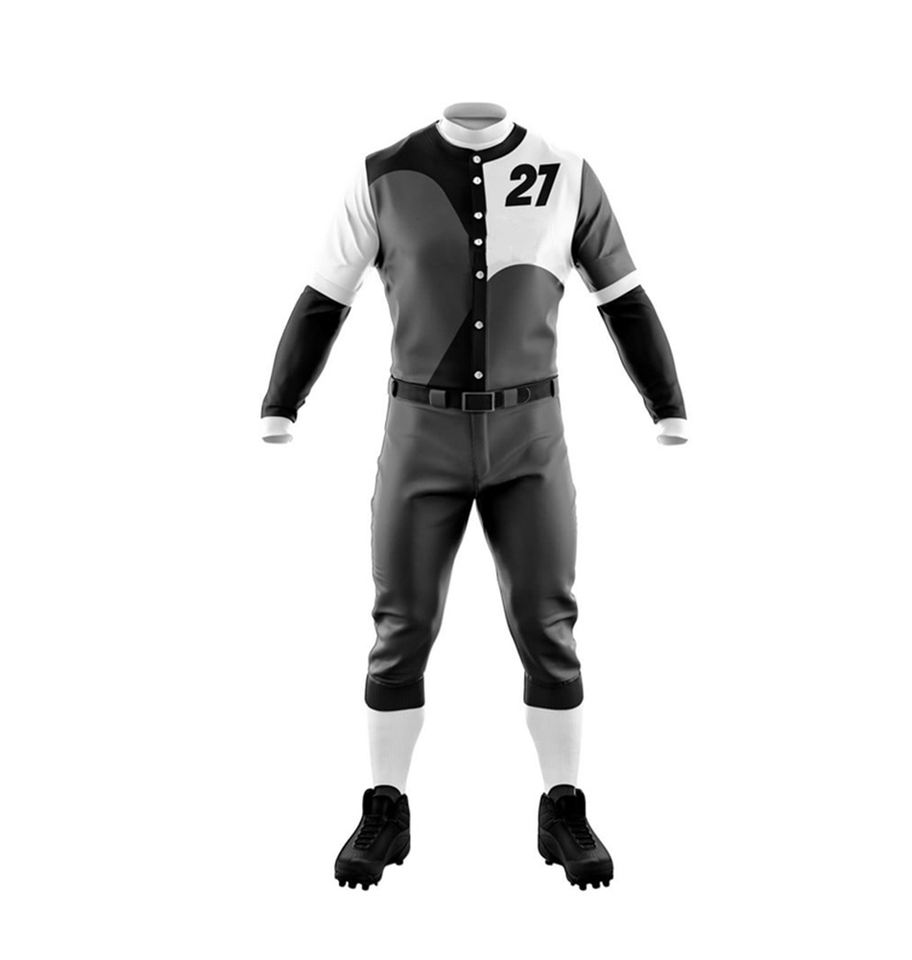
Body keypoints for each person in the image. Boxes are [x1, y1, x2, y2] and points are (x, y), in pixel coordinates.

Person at [260, 102, 688, 889]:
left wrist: (668, 404)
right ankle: (386, 807)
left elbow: (622, 295)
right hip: (419, 433)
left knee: (548, 618)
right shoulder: (382, 175)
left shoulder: (566, 173)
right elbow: (326, 295)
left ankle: (563, 806)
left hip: (531, 436)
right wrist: (280, 402)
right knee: (401, 620)